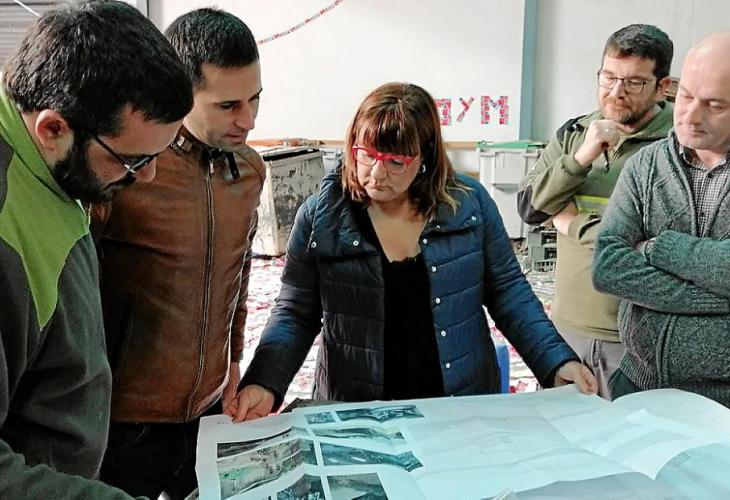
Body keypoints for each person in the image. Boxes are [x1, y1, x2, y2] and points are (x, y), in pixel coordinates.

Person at [229, 82, 597, 421]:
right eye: (366, 155)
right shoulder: (322, 216)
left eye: (395, 162)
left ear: (425, 158)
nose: (376, 173)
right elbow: (295, 311)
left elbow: (509, 293)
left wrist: (555, 361)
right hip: (358, 408)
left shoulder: (469, 206)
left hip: (455, 404)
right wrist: (264, 380)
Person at [0, 1, 192, 498]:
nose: (147, 177)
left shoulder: (50, 169)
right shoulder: (5, 228)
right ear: (53, 129)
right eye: (133, 161)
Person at [92, 9, 265, 499]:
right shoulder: (125, 168)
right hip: (124, 423)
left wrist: (233, 360)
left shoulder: (250, 171)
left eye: (255, 98)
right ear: (181, 92)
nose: (248, 120)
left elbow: (239, 274)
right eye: (228, 105)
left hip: (209, 412)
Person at [517, 24, 674, 398]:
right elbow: (530, 208)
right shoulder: (574, 133)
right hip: (565, 329)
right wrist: (581, 157)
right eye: (608, 77)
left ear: (662, 87)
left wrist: (572, 223)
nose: (616, 92)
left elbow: (654, 245)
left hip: (633, 337)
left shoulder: (677, 146)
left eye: (634, 82)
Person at [593, 33, 730, 407]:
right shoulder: (646, 165)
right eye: (685, 96)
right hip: (639, 385)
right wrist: (714, 297)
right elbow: (608, 267)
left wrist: (658, 248)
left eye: (714, 105)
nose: (690, 116)